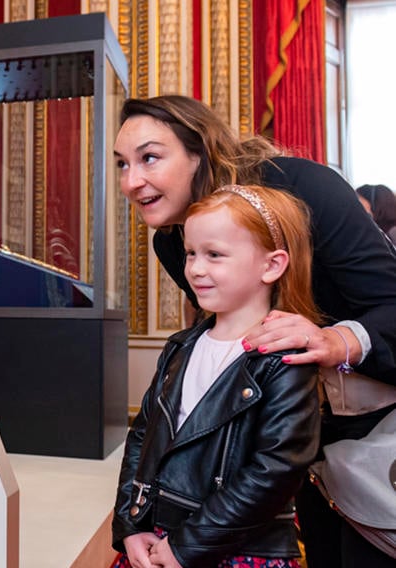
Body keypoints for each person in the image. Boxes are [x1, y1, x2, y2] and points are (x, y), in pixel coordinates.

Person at [114, 94, 396, 567]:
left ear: (199, 152)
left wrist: (336, 341)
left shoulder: (308, 189)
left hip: (369, 435)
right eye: (122, 164)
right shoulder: (172, 240)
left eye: (149, 158)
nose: (131, 181)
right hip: (292, 457)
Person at [112, 184, 322, 568]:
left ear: (271, 265)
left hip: (236, 550)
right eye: (191, 253)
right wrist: (130, 523)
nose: (195, 268)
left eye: (214, 255)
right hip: (159, 538)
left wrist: (187, 546)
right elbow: (143, 437)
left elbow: (275, 470)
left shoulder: (285, 359)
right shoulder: (181, 347)